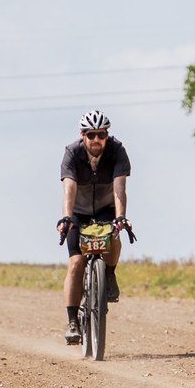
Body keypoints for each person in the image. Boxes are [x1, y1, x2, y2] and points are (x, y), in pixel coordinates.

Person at [55, 110, 132, 345]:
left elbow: (120, 188)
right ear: (83, 135)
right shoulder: (72, 153)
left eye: (101, 134)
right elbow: (69, 187)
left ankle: (109, 274)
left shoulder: (117, 151)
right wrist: (67, 217)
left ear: (107, 135)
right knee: (77, 262)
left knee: (114, 236)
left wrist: (121, 217)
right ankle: (72, 322)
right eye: (91, 135)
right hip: (78, 212)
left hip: (106, 209)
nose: (96, 140)